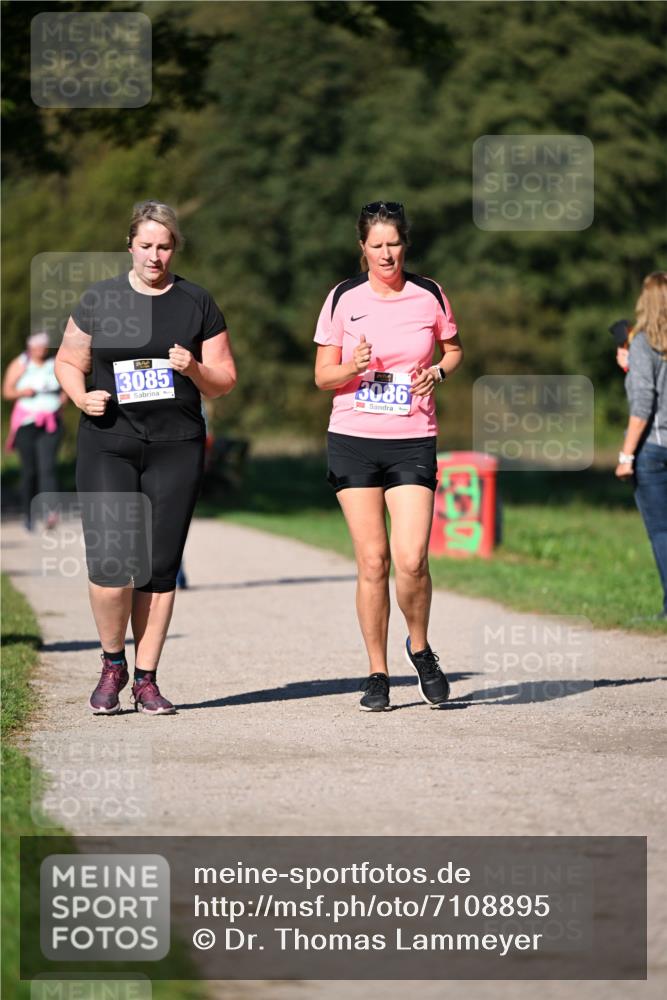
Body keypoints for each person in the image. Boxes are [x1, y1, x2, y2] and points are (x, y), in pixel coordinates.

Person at [55, 200, 236, 714]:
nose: (155, 256)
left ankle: (148, 679)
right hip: (108, 441)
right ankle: (113, 666)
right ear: (130, 245)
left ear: (174, 248)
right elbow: (70, 361)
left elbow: (224, 382)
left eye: (164, 246)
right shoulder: (101, 298)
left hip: (175, 447)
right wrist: (80, 396)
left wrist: (194, 368)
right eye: (146, 245)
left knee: (158, 566)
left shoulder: (196, 302)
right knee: (112, 563)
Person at [314, 201, 464, 711]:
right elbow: (322, 377)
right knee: (373, 561)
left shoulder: (429, 294)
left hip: (412, 435)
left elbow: (454, 350)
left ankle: (419, 648)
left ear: (406, 244)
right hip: (353, 437)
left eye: (393, 243)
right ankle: (377, 672)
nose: (386, 253)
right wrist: (350, 366)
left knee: (411, 558)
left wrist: (438, 373)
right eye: (376, 245)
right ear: (362, 248)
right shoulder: (341, 298)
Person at [615, 271, 667, 620]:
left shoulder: (644, 342)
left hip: (654, 448)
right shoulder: (641, 347)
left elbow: (642, 406)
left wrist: (625, 456)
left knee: (663, 532)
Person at [3, 331, 67, 530]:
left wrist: (62, 399)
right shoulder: (20, 363)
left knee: (47, 468)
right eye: (37, 346)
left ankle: (50, 512)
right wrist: (22, 392)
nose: (40, 350)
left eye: (43, 346)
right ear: (30, 347)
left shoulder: (55, 363)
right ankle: (28, 514)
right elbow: (6, 391)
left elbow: (67, 384)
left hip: (50, 422)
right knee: (29, 470)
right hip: (27, 422)